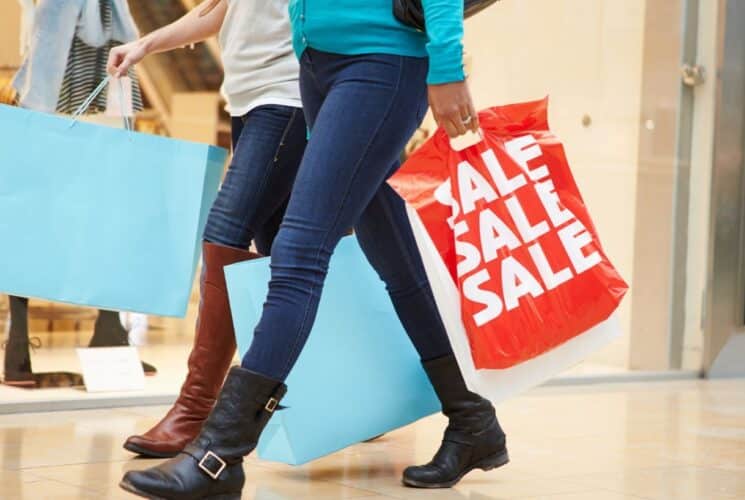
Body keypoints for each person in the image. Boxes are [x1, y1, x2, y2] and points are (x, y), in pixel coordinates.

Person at [117, 0, 509, 498]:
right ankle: (472, 420)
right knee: (395, 259)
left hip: (379, 62)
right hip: (319, 65)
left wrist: (448, 67)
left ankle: (221, 450)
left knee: (299, 251)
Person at [106, 0, 306, 458]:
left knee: (226, 231)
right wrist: (145, 44)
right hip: (247, 99)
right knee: (287, 256)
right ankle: (345, 389)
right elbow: (221, 11)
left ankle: (195, 410)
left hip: (286, 97)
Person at [4, 0, 152, 387]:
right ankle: (19, 344)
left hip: (92, 82)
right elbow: (89, 31)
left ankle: (103, 333)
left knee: (95, 212)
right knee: (47, 214)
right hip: (67, 88)